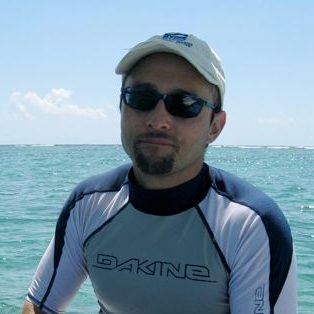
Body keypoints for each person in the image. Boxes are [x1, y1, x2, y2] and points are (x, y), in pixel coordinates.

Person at [22, 32, 297, 314]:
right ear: (120, 107)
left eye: (185, 104)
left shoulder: (250, 225)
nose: (158, 120)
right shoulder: (88, 204)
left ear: (215, 126)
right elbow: (39, 306)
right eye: (141, 97)